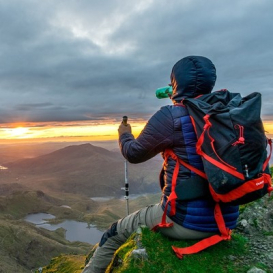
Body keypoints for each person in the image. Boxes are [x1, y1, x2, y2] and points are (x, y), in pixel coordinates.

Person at [82, 56, 239, 273]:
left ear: (176, 82)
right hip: (229, 217)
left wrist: (124, 135)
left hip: (186, 222)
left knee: (114, 232)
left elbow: (134, 154)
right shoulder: (229, 113)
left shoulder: (171, 116)